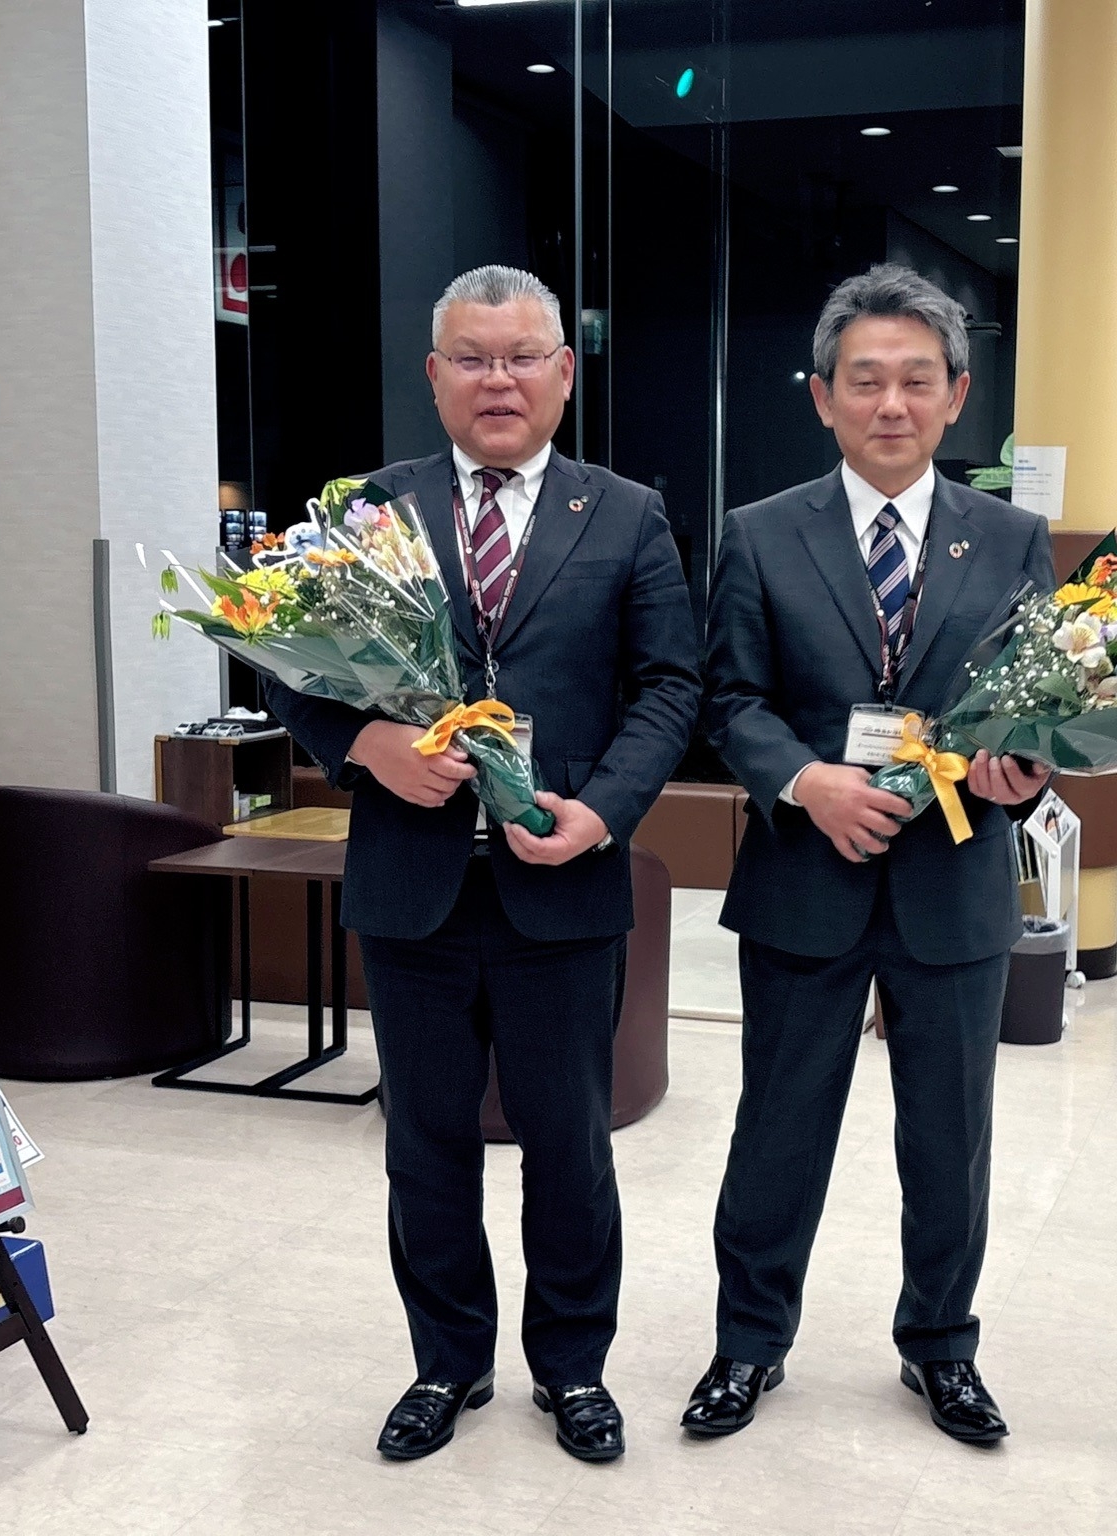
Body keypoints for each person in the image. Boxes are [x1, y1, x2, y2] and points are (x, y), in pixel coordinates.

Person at [262, 265, 699, 1465]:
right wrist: (362, 748)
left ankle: (574, 1368)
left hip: (563, 882)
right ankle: (446, 1362)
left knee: (570, 1147)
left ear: (563, 372)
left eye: (519, 358)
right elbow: (288, 665)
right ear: (434, 374)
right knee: (424, 1145)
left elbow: (671, 688)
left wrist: (601, 814)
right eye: (471, 357)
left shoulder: (627, 515)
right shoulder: (371, 509)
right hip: (412, 889)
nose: (496, 380)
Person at [684, 264, 1053, 1445]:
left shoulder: (1013, 539)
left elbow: (1036, 705)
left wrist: (1024, 771)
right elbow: (729, 700)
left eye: (917, 380)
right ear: (822, 395)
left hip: (954, 883)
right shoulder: (758, 534)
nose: (891, 403)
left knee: (949, 1136)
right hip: (806, 878)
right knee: (778, 1128)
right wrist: (807, 782)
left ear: (958, 395)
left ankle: (941, 1346)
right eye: (865, 380)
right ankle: (749, 1343)